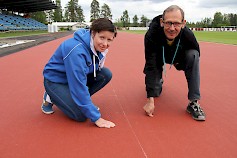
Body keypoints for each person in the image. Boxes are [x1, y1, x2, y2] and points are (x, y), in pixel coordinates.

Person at [41, 18, 117, 128]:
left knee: (105, 74)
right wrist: (96, 117)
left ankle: (79, 102)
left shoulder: (96, 47)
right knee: (81, 115)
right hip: (56, 81)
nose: (105, 44)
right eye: (102, 38)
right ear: (93, 33)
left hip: (73, 79)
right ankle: (50, 96)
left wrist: (87, 105)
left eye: (109, 40)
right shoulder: (76, 50)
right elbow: (78, 85)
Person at [143, 5, 206, 121]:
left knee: (193, 55)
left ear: (183, 23)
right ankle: (158, 82)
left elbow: (195, 56)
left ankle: (193, 102)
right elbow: (150, 64)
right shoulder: (151, 34)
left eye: (176, 23)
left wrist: (180, 64)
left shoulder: (188, 35)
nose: (172, 28)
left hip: (177, 57)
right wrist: (150, 99)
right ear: (162, 22)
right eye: (168, 23)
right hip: (158, 57)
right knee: (155, 91)